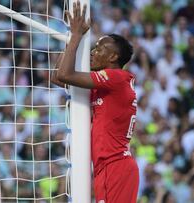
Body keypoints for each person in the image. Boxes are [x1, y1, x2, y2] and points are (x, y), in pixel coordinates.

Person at [51, 2, 139, 202]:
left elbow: (64, 74)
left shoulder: (116, 77)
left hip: (115, 166)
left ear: (113, 56)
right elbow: (57, 77)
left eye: (99, 49)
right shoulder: (107, 88)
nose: (92, 52)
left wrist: (76, 35)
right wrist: (72, 38)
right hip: (106, 168)